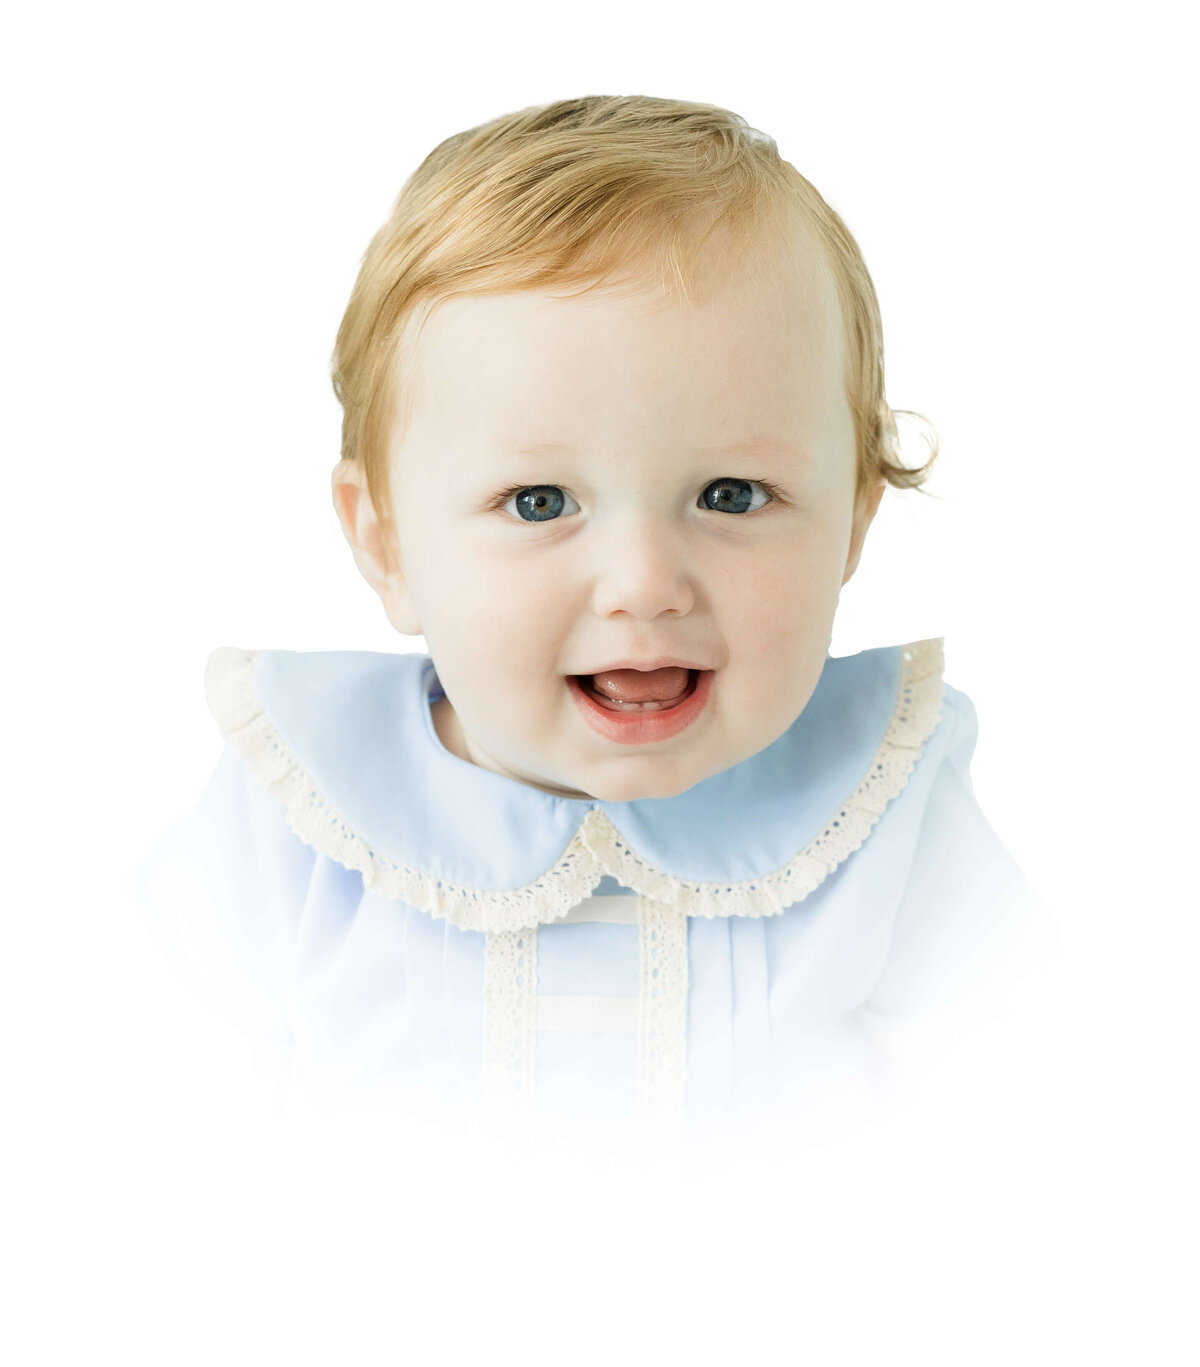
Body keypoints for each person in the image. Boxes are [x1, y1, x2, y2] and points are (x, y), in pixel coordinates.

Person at [133, 94, 1050, 1138]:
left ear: (851, 522)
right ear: (384, 542)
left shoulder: (884, 811)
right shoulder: (297, 818)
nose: (643, 583)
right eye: (538, 503)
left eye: (732, 495)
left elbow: (1028, 1099)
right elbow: (150, 1107)